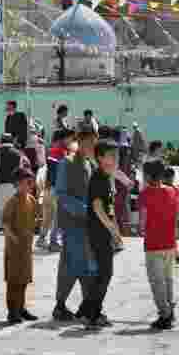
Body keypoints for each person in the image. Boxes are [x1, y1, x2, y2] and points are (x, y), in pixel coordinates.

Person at [51, 123, 97, 321]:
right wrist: (85, 210)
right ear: (81, 141)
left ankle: (81, 305)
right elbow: (61, 193)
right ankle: (65, 305)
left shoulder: (90, 163)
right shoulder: (67, 163)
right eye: (90, 143)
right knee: (74, 264)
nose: (93, 148)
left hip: (87, 223)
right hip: (72, 223)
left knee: (83, 264)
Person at [81, 140, 123, 329]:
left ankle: (91, 310)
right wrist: (112, 229)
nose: (115, 159)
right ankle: (91, 313)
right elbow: (98, 208)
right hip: (98, 232)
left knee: (103, 274)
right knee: (105, 274)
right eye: (111, 155)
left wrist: (115, 231)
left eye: (116, 155)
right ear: (100, 157)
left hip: (104, 231)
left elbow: (109, 208)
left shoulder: (107, 177)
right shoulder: (99, 178)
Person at [138, 160, 179, 330]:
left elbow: (142, 220)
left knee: (157, 281)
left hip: (153, 244)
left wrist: (142, 230)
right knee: (168, 279)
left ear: (147, 176)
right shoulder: (172, 191)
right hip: (170, 242)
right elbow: (177, 216)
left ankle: (165, 313)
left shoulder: (145, 194)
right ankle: (170, 309)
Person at [3, 167, 38, 324]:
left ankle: (21, 308)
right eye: (26, 182)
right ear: (17, 184)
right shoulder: (12, 201)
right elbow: (6, 224)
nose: (30, 185)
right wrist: (14, 238)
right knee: (13, 281)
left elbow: (35, 218)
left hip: (26, 248)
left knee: (24, 279)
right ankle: (12, 311)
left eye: (31, 182)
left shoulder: (31, 200)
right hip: (14, 249)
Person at [0, 134, 25, 234]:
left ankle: (0, 226)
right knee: (12, 206)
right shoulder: (18, 153)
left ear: (1, 141)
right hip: (14, 184)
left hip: (0, 183)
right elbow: (21, 169)